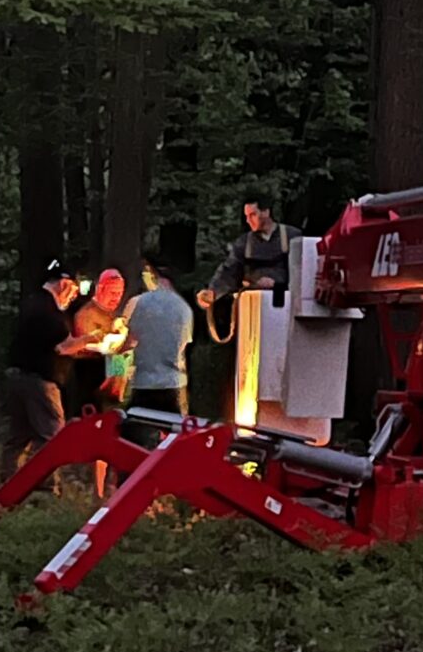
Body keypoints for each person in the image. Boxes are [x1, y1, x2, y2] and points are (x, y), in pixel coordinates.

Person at [0, 261, 86, 484]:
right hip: (39, 383)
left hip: (18, 376)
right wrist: (93, 339)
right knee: (53, 437)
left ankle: (8, 484)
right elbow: (63, 346)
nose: (74, 296)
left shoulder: (32, 303)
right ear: (63, 284)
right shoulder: (49, 311)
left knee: (18, 436)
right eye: (74, 289)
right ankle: (44, 486)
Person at [68, 267, 129, 497]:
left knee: (113, 434)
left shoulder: (114, 316)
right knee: (93, 434)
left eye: (120, 293)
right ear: (101, 289)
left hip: (112, 388)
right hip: (91, 382)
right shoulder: (86, 314)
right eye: (112, 292)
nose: (116, 298)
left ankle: (108, 487)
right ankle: (91, 488)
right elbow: (85, 346)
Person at [197, 190, 302, 308]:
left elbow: (302, 272)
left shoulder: (292, 237)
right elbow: (229, 269)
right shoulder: (244, 242)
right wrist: (213, 292)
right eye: (246, 216)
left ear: (266, 212)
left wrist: (277, 284)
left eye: (252, 215)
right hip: (252, 302)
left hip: (287, 301)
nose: (248, 220)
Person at [124, 259, 195, 427]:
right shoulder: (184, 308)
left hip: (143, 382)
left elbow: (128, 342)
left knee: (134, 435)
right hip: (174, 383)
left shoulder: (138, 303)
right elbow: (185, 344)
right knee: (175, 437)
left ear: (152, 276)